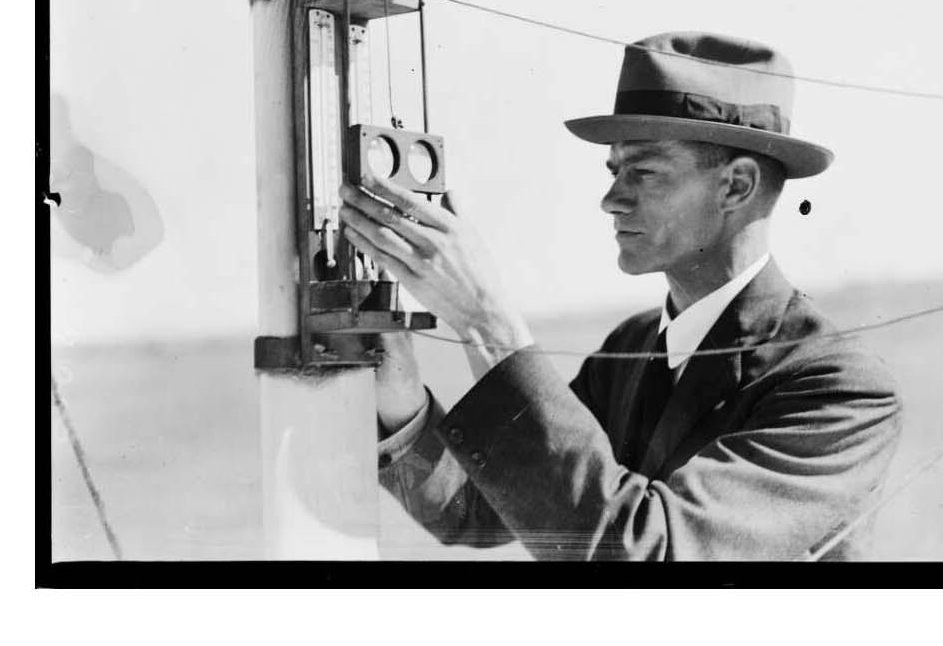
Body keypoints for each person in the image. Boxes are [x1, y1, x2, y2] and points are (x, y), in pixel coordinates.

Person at [339, 31, 901, 561]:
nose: (611, 199)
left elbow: (647, 552)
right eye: (613, 170)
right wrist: (400, 394)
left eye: (644, 172)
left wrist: (487, 322)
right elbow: (479, 512)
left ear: (736, 185)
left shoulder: (838, 388)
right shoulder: (631, 348)